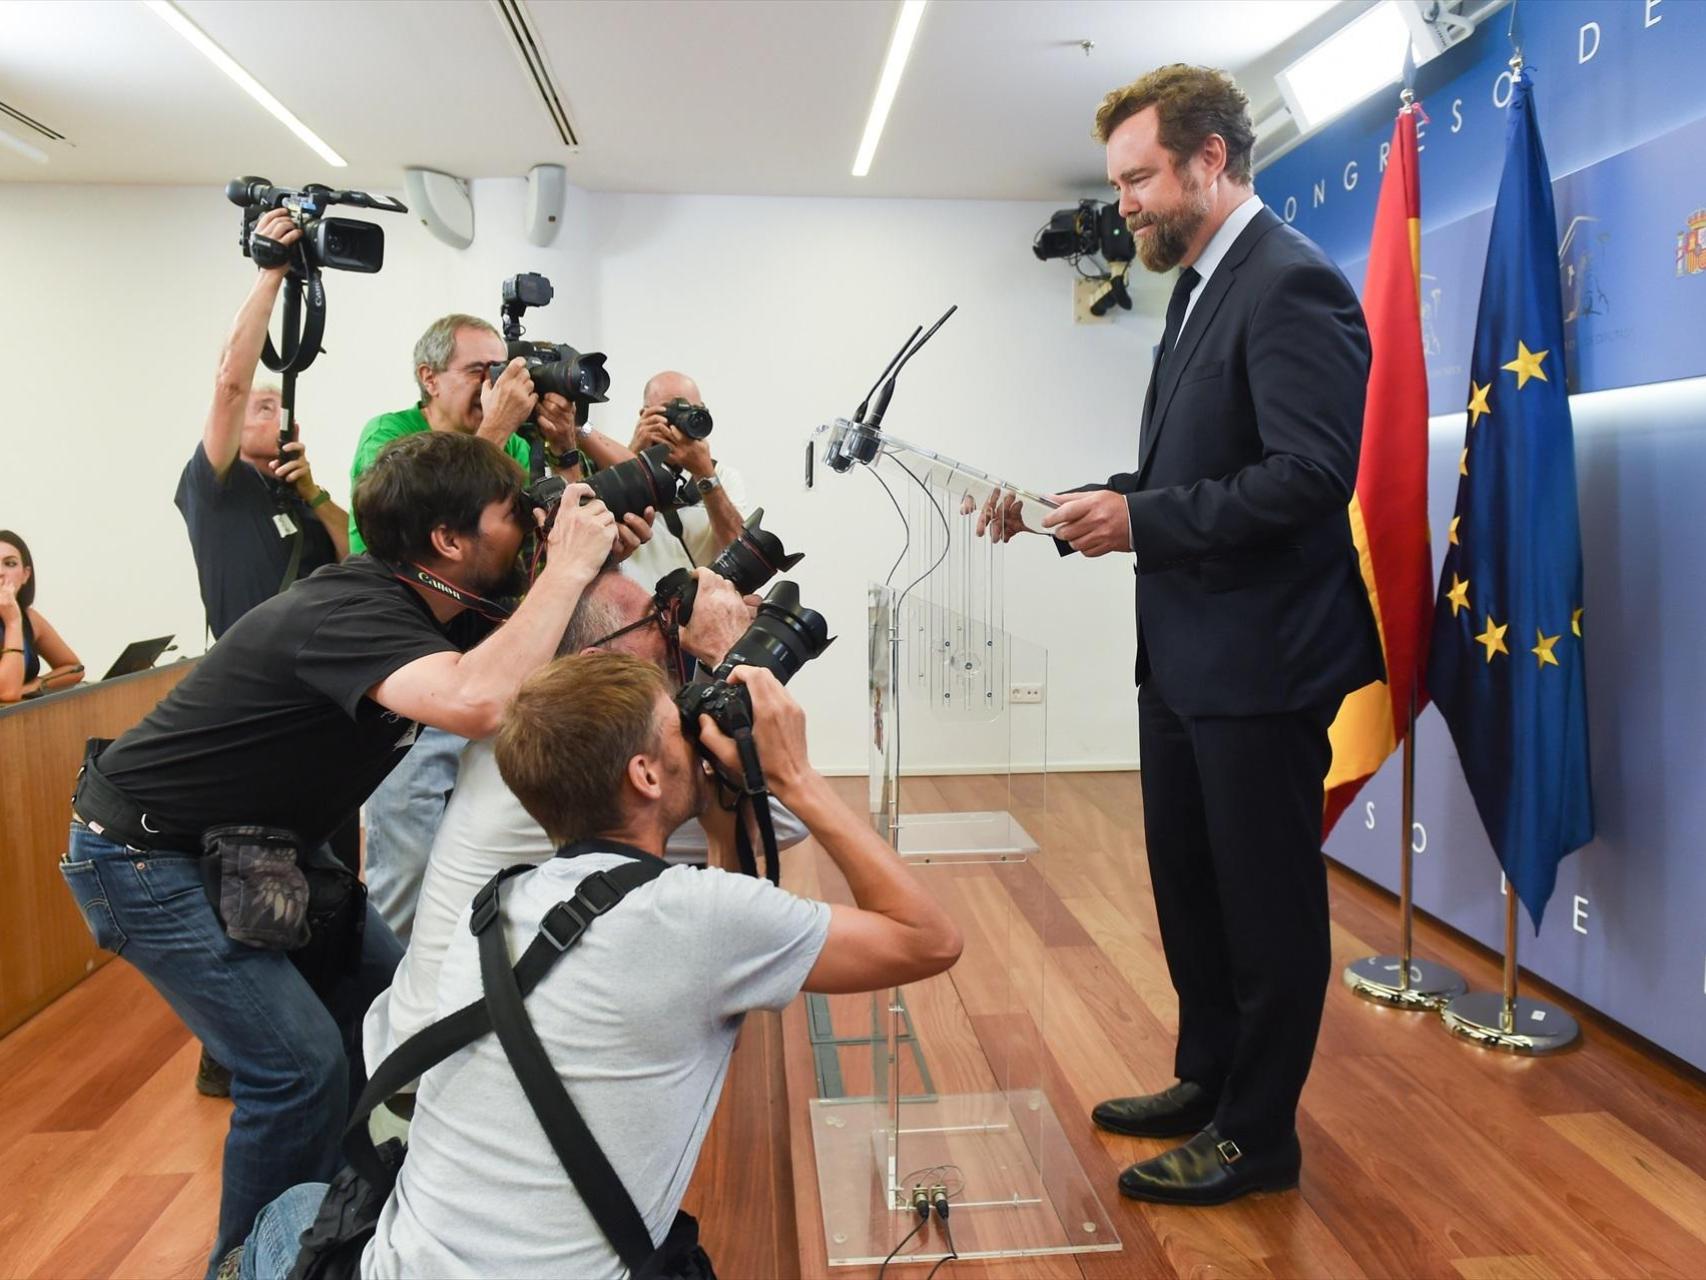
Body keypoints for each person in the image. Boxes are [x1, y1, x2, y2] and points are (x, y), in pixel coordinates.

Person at [60, 430, 623, 1278]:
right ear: (447, 542)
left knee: (410, 1018)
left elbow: (557, 648)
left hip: (256, 851)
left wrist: (585, 550)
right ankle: (253, 1265)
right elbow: (477, 700)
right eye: (513, 516)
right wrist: (566, 569)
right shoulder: (351, 609)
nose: (527, 531)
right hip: (144, 859)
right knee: (296, 1068)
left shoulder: (445, 602)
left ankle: (341, 1223)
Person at [237, 650, 964, 1280]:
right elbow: (928, 939)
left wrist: (719, 825)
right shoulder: (699, 920)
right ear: (646, 775)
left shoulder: (496, 903)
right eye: (679, 725)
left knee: (293, 1209)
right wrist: (797, 776)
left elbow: (699, 936)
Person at [980, 65, 1381, 1204]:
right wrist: (1068, 508)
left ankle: (1259, 1136)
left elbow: (1308, 477)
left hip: (1261, 663)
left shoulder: (1289, 283)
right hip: (1190, 656)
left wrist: (1139, 518)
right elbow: (1183, 478)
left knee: (1263, 907)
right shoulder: (1200, 287)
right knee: (1190, 888)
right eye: (1117, 183)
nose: (1125, 206)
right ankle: (1206, 1080)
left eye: (1140, 177)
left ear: (1210, 160)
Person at [361, 563, 809, 1067]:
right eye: (654, 622)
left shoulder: (537, 722)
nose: (674, 635)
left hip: (457, 1029)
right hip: (459, 1068)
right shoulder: (584, 762)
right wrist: (732, 656)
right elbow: (788, 814)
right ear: (595, 662)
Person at [350, 313, 637, 942]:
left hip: (495, 668)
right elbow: (415, 524)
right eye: (480, 371)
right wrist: (498, 424)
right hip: (413, 684)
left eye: (502, 371)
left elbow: (545, 549)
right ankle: (394, 1010)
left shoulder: (513, 446)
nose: (497, 385)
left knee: (486, 854)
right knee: (407, 861)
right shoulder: (391, 437)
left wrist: (570, 466)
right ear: (428, 377)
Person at [177, 207, 350, 644]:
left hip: (316, 667)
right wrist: (271, 273)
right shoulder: (216, 485)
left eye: (280, 406)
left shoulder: (299, 494)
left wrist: (315, 494)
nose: (280, 414)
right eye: (265, 407)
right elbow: (231, 385)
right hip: (252, 672)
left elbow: (358, 560)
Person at [619, 371, 751, 586]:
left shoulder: (725, 477)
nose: (678, 424)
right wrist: (634, 455)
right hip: (638, 611)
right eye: (668, 413)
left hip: (702, 610)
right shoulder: (620, 471)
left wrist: (705, 474)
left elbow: (740, 556)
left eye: (690, 411)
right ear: (644, 415)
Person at [0, 530, 83, 703]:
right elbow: (7, 693)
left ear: (25, 575)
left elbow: (74, 668)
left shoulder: (29, 617)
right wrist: (13, 622)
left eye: (10, 563)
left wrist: (38, 683)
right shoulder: (16, 619)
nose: (1, 572)